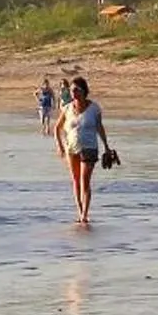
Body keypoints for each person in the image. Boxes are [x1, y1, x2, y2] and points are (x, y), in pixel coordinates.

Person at [58, 75, 112, 224]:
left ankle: (85, 215)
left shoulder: (94, 108)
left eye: (77, 90)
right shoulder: (67, 108)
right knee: (75, 180)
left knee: (84, 180)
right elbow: (58, 128)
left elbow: (99, 127)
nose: (74, 93)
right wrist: (60, 146)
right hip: (71, 147)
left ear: (84, 91)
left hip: (89, 147)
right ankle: (80, 211)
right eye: (72, 90)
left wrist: (106, 146)